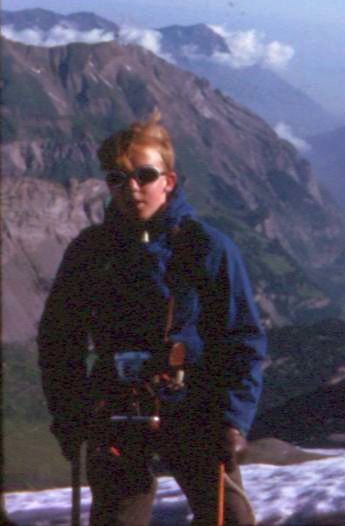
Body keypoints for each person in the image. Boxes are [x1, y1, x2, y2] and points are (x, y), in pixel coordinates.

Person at [37, 109, 267, 525]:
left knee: (230, 518)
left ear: (169, 180)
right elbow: (59, 340)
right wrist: (68, 414)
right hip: (116, 409)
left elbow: (241, 339)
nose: (132, 188)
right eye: (117, 179)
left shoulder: (207, 247)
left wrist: (233, 420)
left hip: (195, 409)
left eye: (144, 175)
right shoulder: (90, 251)